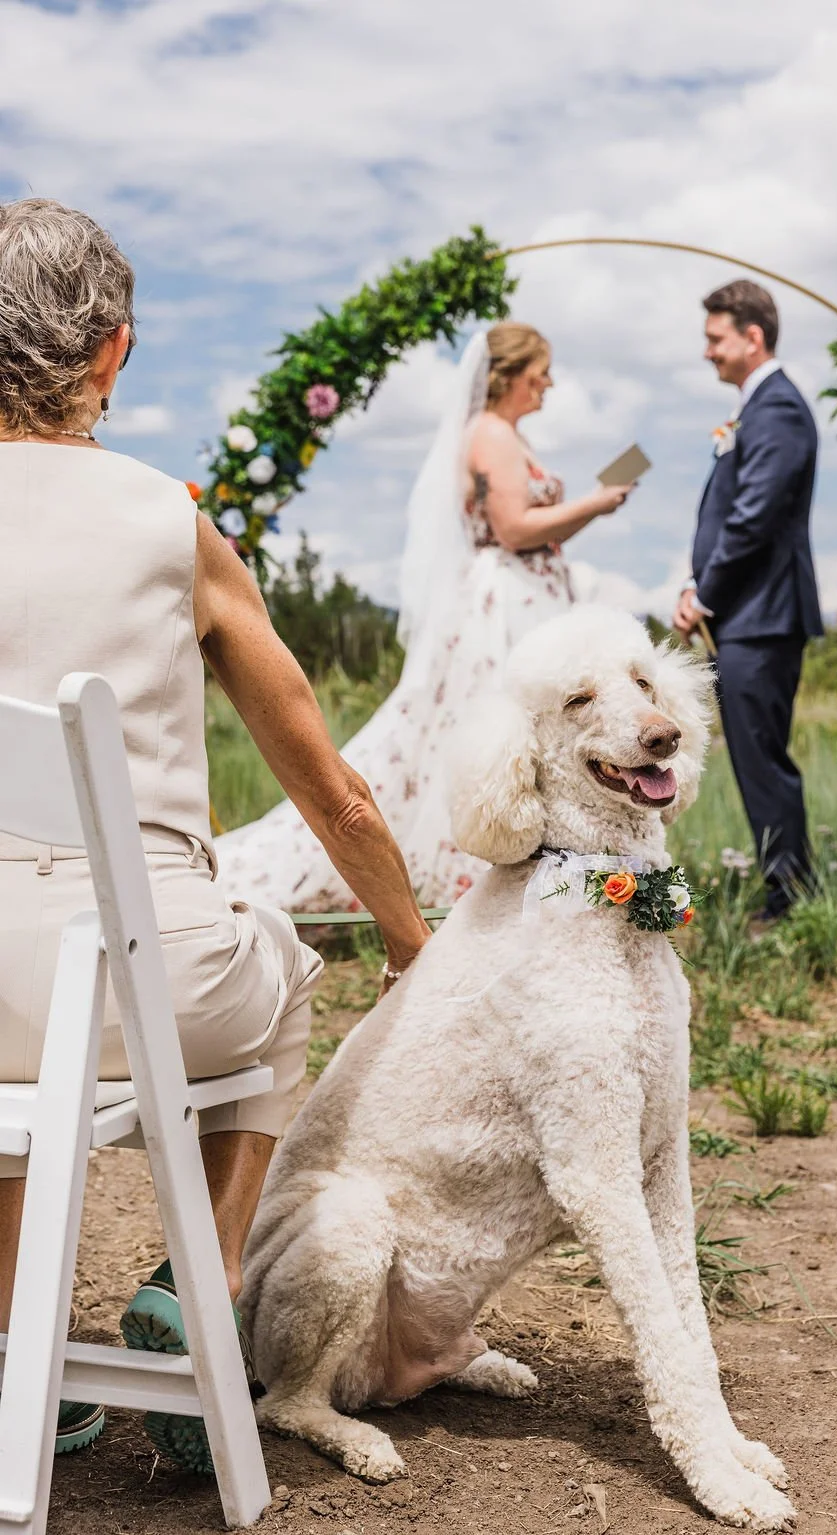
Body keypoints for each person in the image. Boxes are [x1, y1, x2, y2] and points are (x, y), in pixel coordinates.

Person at [0, 197, 430, 1465]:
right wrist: (410, 935)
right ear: (112, 353)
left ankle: (24, 1340)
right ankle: (197, 1291)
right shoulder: (167, 525)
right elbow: (332, 795)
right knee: (282, 960)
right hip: (144, 979)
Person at [214, 322, 636, 909]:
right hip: (504, 605)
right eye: (540, 372)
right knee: (497, 729)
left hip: (529, 594)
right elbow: (513, 529)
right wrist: (594, 505)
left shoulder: (506, 434)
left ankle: (538, 863)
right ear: (509, 376)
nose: (549, 384)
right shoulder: (490, 434)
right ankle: (474, 869)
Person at [673, 279, 823, 927]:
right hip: (746, 615)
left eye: (715, 338)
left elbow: (754, 515)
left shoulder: (779, 411)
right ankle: (787, 886)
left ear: (751, 336)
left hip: (761, 617)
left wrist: (704, 594)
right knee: (754, 758)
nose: (707, 351)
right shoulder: (756, 411)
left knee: (763, 760)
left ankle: (789, 900)